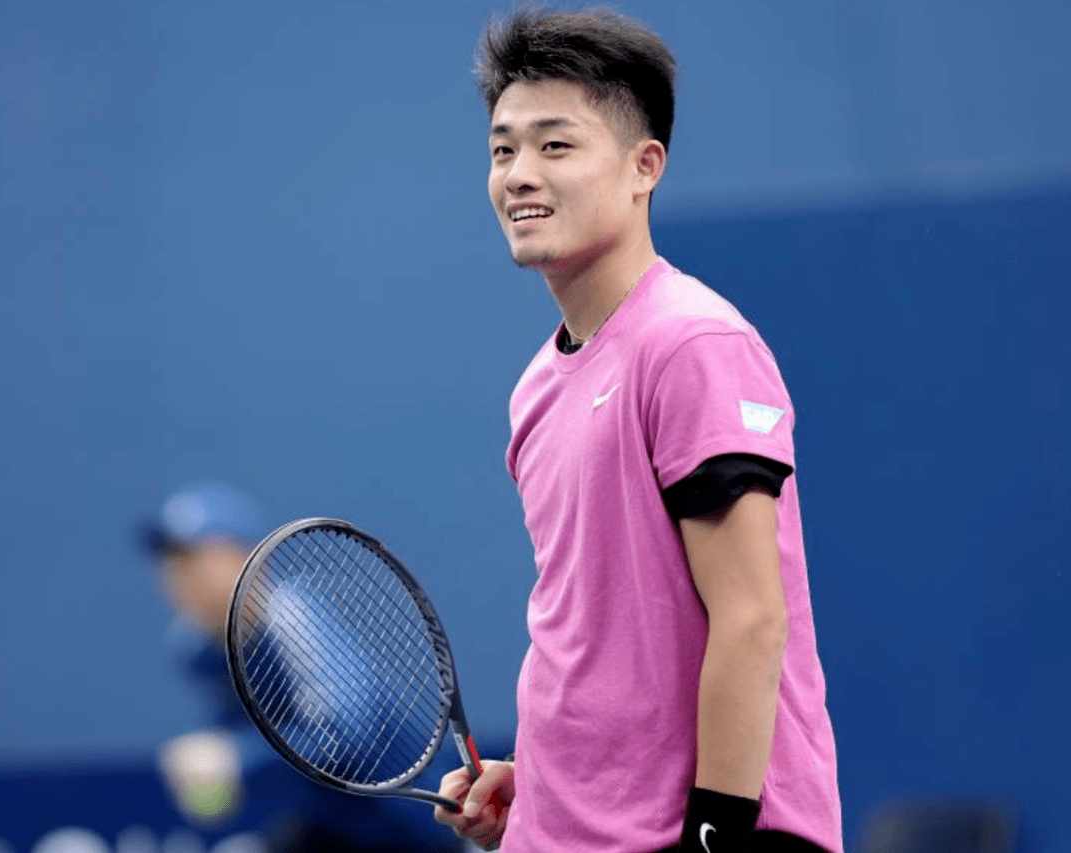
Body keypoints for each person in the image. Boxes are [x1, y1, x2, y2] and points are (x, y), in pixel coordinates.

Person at [435, 7, 842, 853]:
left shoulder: (694, 344)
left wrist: (713, 833)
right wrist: (539, 782)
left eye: (555, 145)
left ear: (643, 166)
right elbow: (604, 637)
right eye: (503, 150)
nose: (519, 175)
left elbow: (751, 618)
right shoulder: (535, 389)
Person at [140, 480, 461, 853]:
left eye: (194, 557)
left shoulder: (294, 620)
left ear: (241, 558)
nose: (177, 574)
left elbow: (347, 737)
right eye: (170, 561)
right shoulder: (197, 651)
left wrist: (237, 759)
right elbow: (240, 732)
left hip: (412, 828)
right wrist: (214, 765)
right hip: (334, 824)